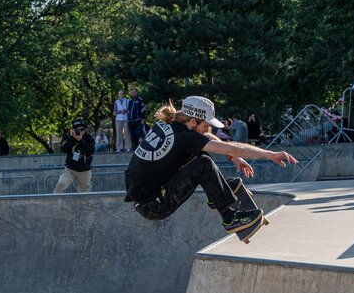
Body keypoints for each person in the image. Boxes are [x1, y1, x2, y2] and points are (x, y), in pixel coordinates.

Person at [124, 95, 297, 239]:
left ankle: (217, 194)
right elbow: (231, 146)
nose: (209, 130)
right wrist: (270, 155)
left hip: (146, 197)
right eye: (205, 125)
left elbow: (208, 137)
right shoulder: (186, 138)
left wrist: (232, 157)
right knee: (203, 163)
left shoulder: (170, 124)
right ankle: (231, 218)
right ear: (192, 122)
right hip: (155, 205)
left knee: (200, 152)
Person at [54, 118, 96, 193]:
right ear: (72, 130)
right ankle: (52, 202)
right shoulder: (69, 137)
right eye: (77, 130)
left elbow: (90, 152)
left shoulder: (89, 138)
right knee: (61, 184)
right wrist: (71, 137)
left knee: (84, 193)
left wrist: (81, 140)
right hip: (70, 169)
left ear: (85, 129)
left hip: (84, 170)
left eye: (82, 129)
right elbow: (64, 149)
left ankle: (83, 205)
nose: (80, 132)